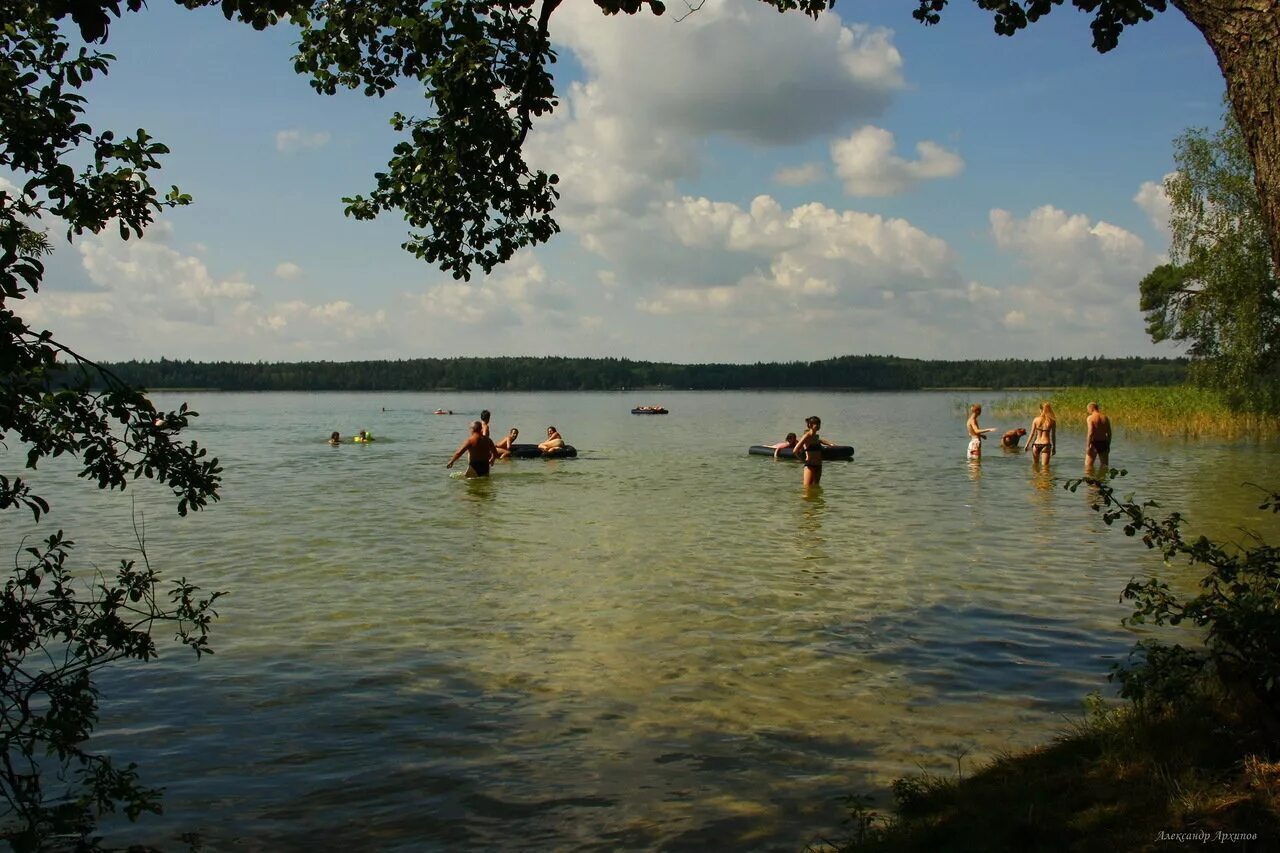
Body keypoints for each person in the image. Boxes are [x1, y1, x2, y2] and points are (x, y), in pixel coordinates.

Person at [794, 416, 825, 487]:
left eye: (819, 424)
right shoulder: (806, 436)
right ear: (810, 425)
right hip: (810, 466)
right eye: (816, 424)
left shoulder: (816, 437)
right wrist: (803, 460)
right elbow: (795, 450)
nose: (818, 426)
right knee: (807, 489)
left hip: (819, 465)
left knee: (816, 487)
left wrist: (831, 444)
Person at [1085, 401, 1112, 468]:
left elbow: (1090, 432)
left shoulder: (1090, 418)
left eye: (1088, 410)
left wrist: (1088, 446)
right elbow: (1109, 433)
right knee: (1104, 466)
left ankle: (1090, 478)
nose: (1088, 412)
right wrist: (1108, 445)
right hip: (1104, 443)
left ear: (1091, 409)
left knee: (1088, 466)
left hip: (1094, 443)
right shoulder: (1105, 418)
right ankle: (1102, 478)